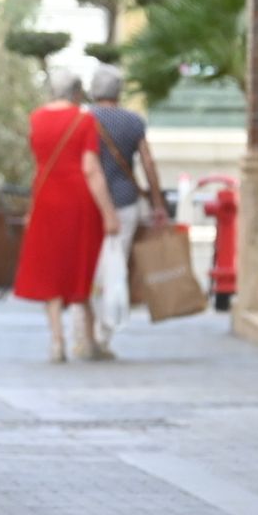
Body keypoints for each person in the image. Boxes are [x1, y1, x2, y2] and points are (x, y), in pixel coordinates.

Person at [13, 68, 121, 362]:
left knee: (51, 270)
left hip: (46, 198)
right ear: (76, 92)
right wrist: (109, 212)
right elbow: (90, 168)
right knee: (79, 268)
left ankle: (57, 342)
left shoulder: (36, 118)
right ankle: (90, 342)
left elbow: (38, 163)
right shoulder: (84, 120)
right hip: (77, 201)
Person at [88, 64, 168, 352]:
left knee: (90, 264)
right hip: (125, 202)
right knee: (115, 262)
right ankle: (104, 333)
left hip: (90, 204)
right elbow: (148, 162)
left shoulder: (84, 120)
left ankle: (85, 327)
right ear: (118, 91)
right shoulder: (133, 121)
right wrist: (158, 202)